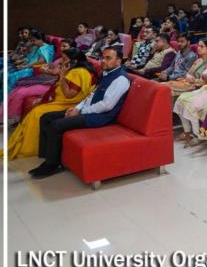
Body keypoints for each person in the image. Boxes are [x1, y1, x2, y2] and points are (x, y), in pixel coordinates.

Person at [28, 47, 130, 179]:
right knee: (46, 117)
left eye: (108, 58)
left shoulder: (120, 79)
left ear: (118, 61)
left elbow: (106, 105)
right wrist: (77, 108)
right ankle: (48, 156)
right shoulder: (105, 73)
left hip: (100, 117)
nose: (103, 61)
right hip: (87, 111)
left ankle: (53, 165)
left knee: (56, 125)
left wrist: (81, 111)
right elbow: (90, 96)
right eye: (102, 57)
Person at [3, 49, 96, 160]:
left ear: (74, 61)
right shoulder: (73, 70)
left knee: (36, 113)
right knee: (34, 110)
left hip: (68, 104)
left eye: (65, 59)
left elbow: (69, 95)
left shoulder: (78, 72)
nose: (62, 61)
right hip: (61, 100)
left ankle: (30, 148)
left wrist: (62, 76)